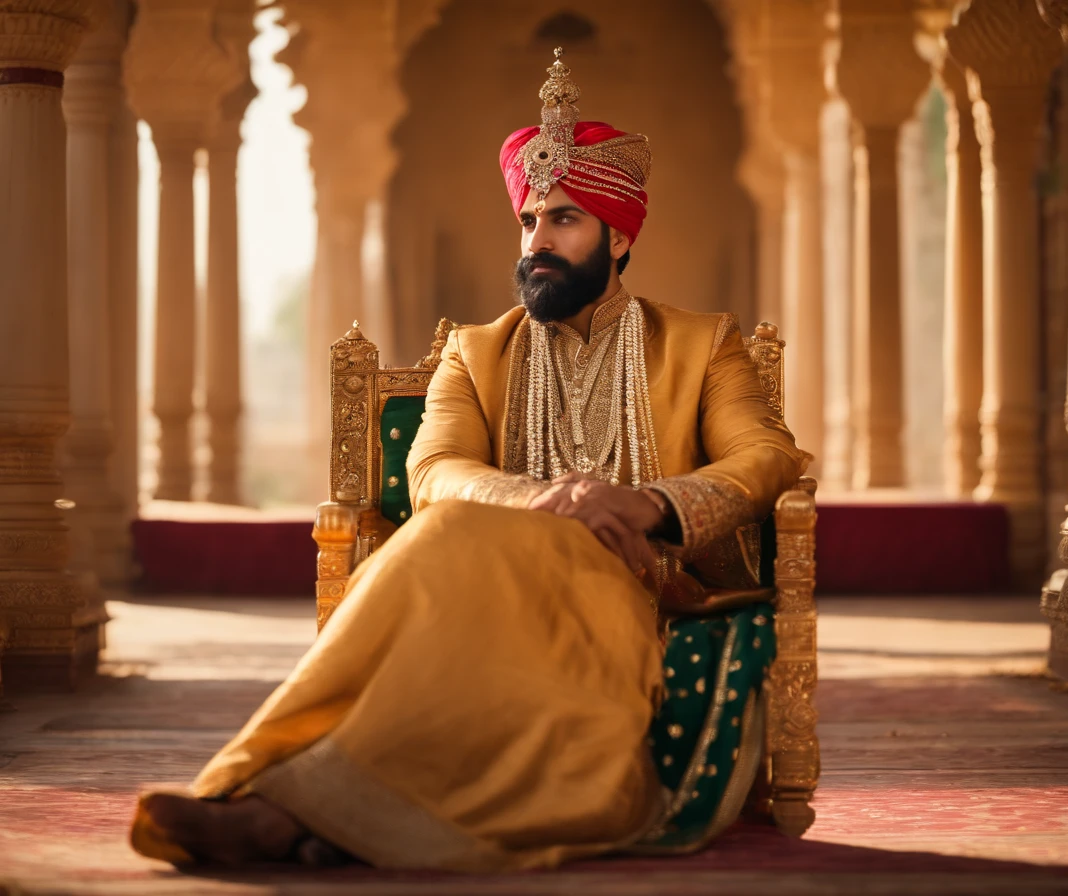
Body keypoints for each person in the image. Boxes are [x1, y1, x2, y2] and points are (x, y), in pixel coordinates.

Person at [130, 48, 810, 872]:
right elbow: (435, 470)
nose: (538, 240)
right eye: (529, 220)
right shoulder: (472, 352)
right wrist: (544, 502)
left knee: (445, 541)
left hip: (633, 588)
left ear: (619, 237)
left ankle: (283, 820)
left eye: (563, 219)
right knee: (439, 533)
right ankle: (273, 795)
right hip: (489, 561)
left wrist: (646, 505)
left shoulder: (705, 346)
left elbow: (767, 456)